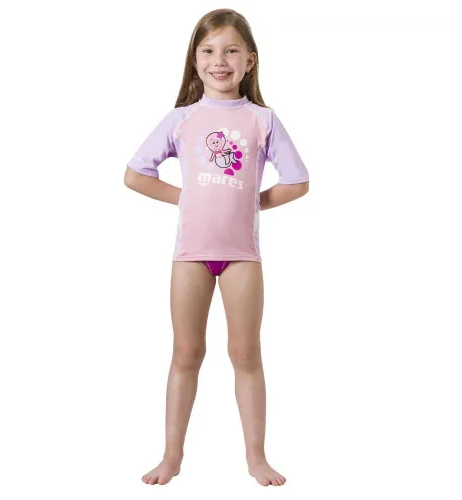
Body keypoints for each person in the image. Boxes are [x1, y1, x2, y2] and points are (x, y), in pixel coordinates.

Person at [124, 8, 309, 487]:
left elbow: (297, 181)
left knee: (245, 353)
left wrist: (252, 203)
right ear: (195, 60)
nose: (219, 60)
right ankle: (171, 457)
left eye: (230, 51)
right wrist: (186, 198)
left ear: (250, 60)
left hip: (242, 257)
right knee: (186, 353)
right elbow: (136, 174)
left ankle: (256, 457)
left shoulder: (262, 119)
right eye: (208, 51)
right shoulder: (182, 119)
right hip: (190, 256)